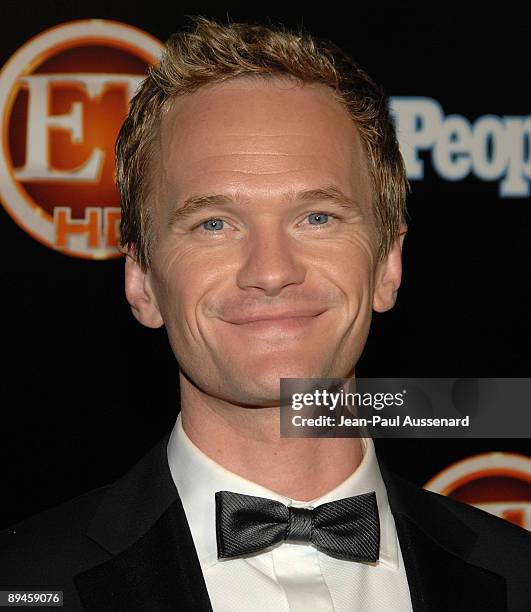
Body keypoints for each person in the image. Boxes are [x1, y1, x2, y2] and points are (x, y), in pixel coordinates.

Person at [1, 15, 529, 612]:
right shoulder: (22, 580)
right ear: (142, 281)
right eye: (215, 224)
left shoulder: (518, 576)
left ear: (388, 264)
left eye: (317, 217)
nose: (272, 270)